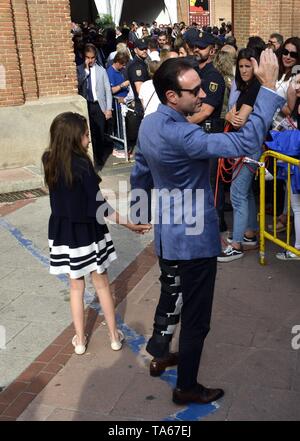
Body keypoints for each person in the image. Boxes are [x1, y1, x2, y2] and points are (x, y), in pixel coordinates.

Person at [130, 51, 284, 405]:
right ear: (172, 96)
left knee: (171, 294)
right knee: (197, 317)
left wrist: (139, 211)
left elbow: (140, 167)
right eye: (194, 91)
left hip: (168, 235)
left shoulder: (152, 123)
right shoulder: (185, 137)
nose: (203, 95)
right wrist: (270, 90)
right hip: (193, 240)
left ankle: (161, 352)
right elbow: (245, 144)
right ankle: (186, 386)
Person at [42, 112, 151, 356]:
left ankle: (80, 340)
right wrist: (129, 224)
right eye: (85, 135)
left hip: (63, 233)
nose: (89, 139)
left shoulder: (48, 159)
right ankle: (114, 336)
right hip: (88, 231)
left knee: (75, 286)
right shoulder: (83, 165)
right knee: (101, 283)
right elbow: (99, 205)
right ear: (73, 137)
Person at [219, 48, 262, 262]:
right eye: (242, 66)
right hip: (246, 145)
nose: (244, 70)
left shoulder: (255, 87)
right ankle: (249, 234)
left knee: (237, 193)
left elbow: (237, 120)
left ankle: (236, 244)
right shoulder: (248, 86)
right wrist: (230, 115)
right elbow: (233, 116)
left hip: (248, 146)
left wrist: (230, 115)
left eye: (248, 66)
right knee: (245, 192)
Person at [187, 33, 227, 232]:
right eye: (195, 45)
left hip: (209, 135)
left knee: (212, 183)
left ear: (212, 51)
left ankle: (216, 224)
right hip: (196, 134)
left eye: (201, 47)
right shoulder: (193, 72)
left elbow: (205, 111)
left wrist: (180, 124)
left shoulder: (214, 77)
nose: (196, 50)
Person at [77, 44, 113, 171]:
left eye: (92, 58)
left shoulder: (101, 70)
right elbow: (78, 84)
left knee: (100, 133)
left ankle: (99, 158)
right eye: (88, 58)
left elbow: (108, 90)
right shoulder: (80, 70)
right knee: (88, 132)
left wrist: (109, 108)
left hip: (98, 106)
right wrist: (86, 71)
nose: (90, 60)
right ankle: (91, 158)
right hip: (86, 104)